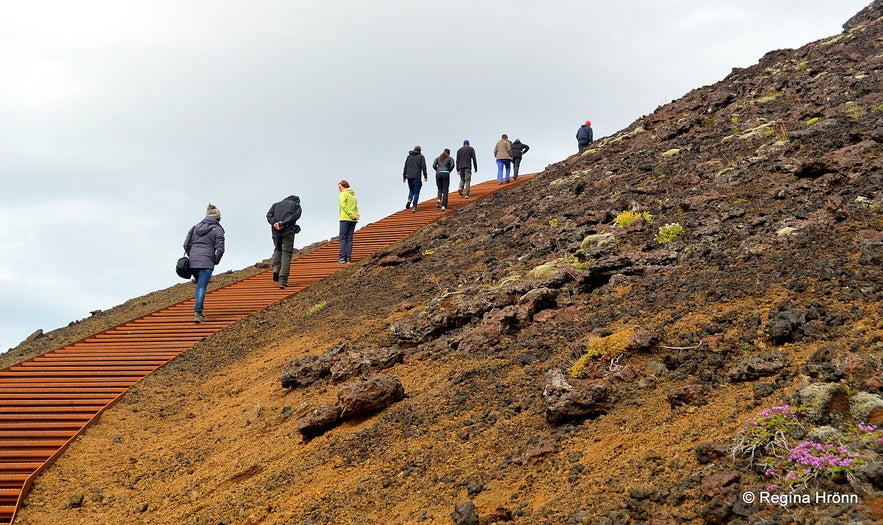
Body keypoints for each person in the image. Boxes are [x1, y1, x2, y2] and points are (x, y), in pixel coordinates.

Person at [183, 203, 225, 323]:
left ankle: (200, 310)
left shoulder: (195, 227)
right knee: (202, 286)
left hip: (193, 262)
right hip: (207, 261)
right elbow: (220, 249)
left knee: (199, 285)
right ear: (218, 219)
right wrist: (215, 260)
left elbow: (185, 244)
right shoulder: (218, 230)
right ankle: (197, 312)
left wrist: (192, 255)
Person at [266, 195, 302, 289]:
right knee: (286, 254)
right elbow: (295, 216)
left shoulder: (275, 205)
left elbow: (269, 215)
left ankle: (276, 269)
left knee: (277, 248)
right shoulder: (296, 205)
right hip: (288, 230)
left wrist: (275, 223)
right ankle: (283, 280)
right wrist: (283, 223)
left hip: (275, 230)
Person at [337, 180, 359, 264]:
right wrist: (356, 215)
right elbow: (356, 208)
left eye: (340, 187)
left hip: (345, 218)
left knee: (343, 239)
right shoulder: (353, 196)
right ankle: (348, 258)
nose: (339, 189)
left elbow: (343, 206)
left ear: (344, 186)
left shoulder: (343, 194)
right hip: (353, 220)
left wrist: (351, 215)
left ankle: (342, 258)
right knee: (349, 239)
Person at [403, 145, 428, 212]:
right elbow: (424, 167)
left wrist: (404, 176)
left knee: (411, 190)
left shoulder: (408, 157)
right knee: (416, 192)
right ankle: (414, 206)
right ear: (420, 150)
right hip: (417, 176)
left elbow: (405, 167)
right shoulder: (421, 157)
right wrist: (425, 176)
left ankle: (409, 200)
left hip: (409, 176)